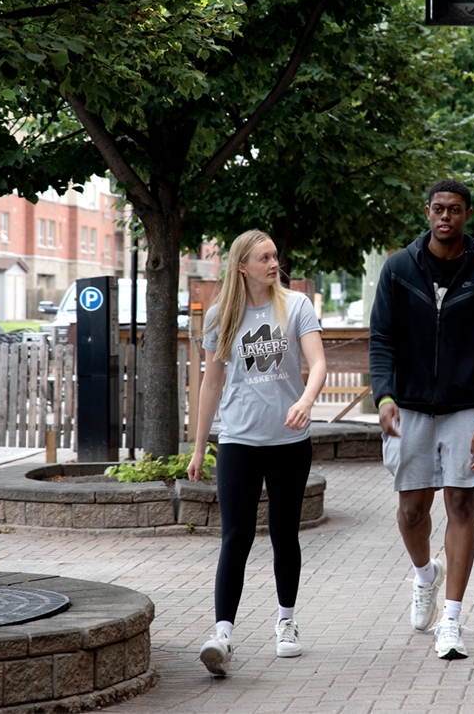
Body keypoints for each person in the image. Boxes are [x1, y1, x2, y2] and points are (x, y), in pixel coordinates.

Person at [369, 179, 474, 660]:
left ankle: (451, 620)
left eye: (454, 209)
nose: (445, 216)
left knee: (461, 504)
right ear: (426, 212)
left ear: (467, 214)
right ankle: (424, 575)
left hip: (466, 405)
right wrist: (384, 396)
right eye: (437, 209)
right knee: (412, 509)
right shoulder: (397, 269)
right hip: (409, 405)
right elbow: (382, 338)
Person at [188, 229, 327, 676]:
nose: (274, 264)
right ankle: (222, 634)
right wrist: (198, 447)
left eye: (275, 257)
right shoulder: (220, 317)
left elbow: (318, 363)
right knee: (236, 536)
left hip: (289, 443)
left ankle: (286, 622)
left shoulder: (297, 306)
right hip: (238, 442)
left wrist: (306, 400)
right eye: (264, 258)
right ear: (242, 266)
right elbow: (210, 384)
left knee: (285, 533)